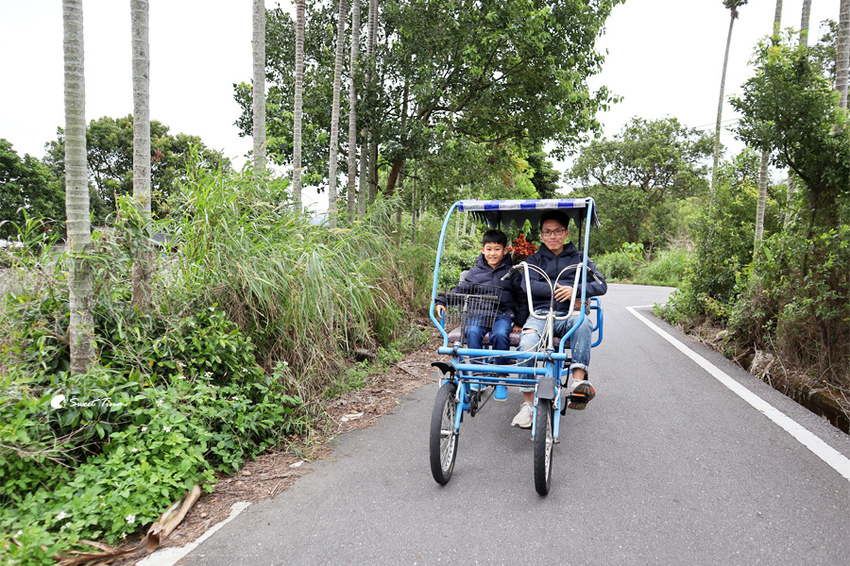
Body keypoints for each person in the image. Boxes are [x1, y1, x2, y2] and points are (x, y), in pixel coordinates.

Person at [511, 210, 607, 428]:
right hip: (540, 315)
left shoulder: (580, 259)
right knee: (526, 343)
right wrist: (556, 289)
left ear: (566, 233)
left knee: (583, 322)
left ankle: (577, 383)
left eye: (557, 231)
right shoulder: (534, 260)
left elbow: (601, 285)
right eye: (547, 232)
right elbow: (528, 285)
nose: (552, 236)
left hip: (568, 315)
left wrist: (574, 290)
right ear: (542, 235)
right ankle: (527, 405)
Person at [435, 229, 528, 401]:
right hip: (480, 313)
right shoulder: (475, 273)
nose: (493, 253)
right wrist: (442, 300)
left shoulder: (513, 273)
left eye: (497, 249)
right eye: (489, 249)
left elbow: (522, 298)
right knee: (472, 331)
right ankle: (478, 374)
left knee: (501, 334)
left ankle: (501, 378)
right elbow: (459, 291)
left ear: (505, 250)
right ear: (483, 250)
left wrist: (520, 322)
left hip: (503, 314)